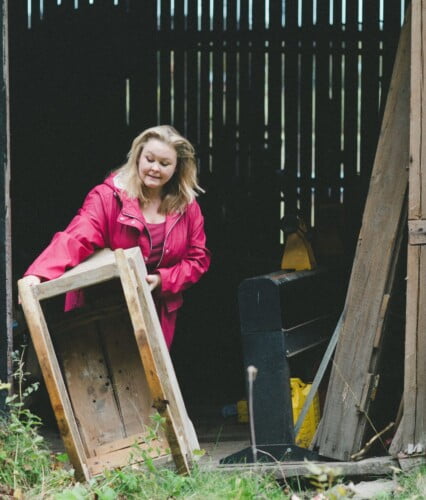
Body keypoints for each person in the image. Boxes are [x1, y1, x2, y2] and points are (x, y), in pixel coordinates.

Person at [23, 125, 211, 348]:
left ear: (177, 167)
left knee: (149, 370)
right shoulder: (107, 197)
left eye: (164, 163)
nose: (155, 168)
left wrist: (163, 279)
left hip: (155, 310)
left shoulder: (187, 208)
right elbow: (76, 237)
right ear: (138, 157)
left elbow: (197, 259)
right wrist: (38, 274)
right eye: (149, 159)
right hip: (99, 309)